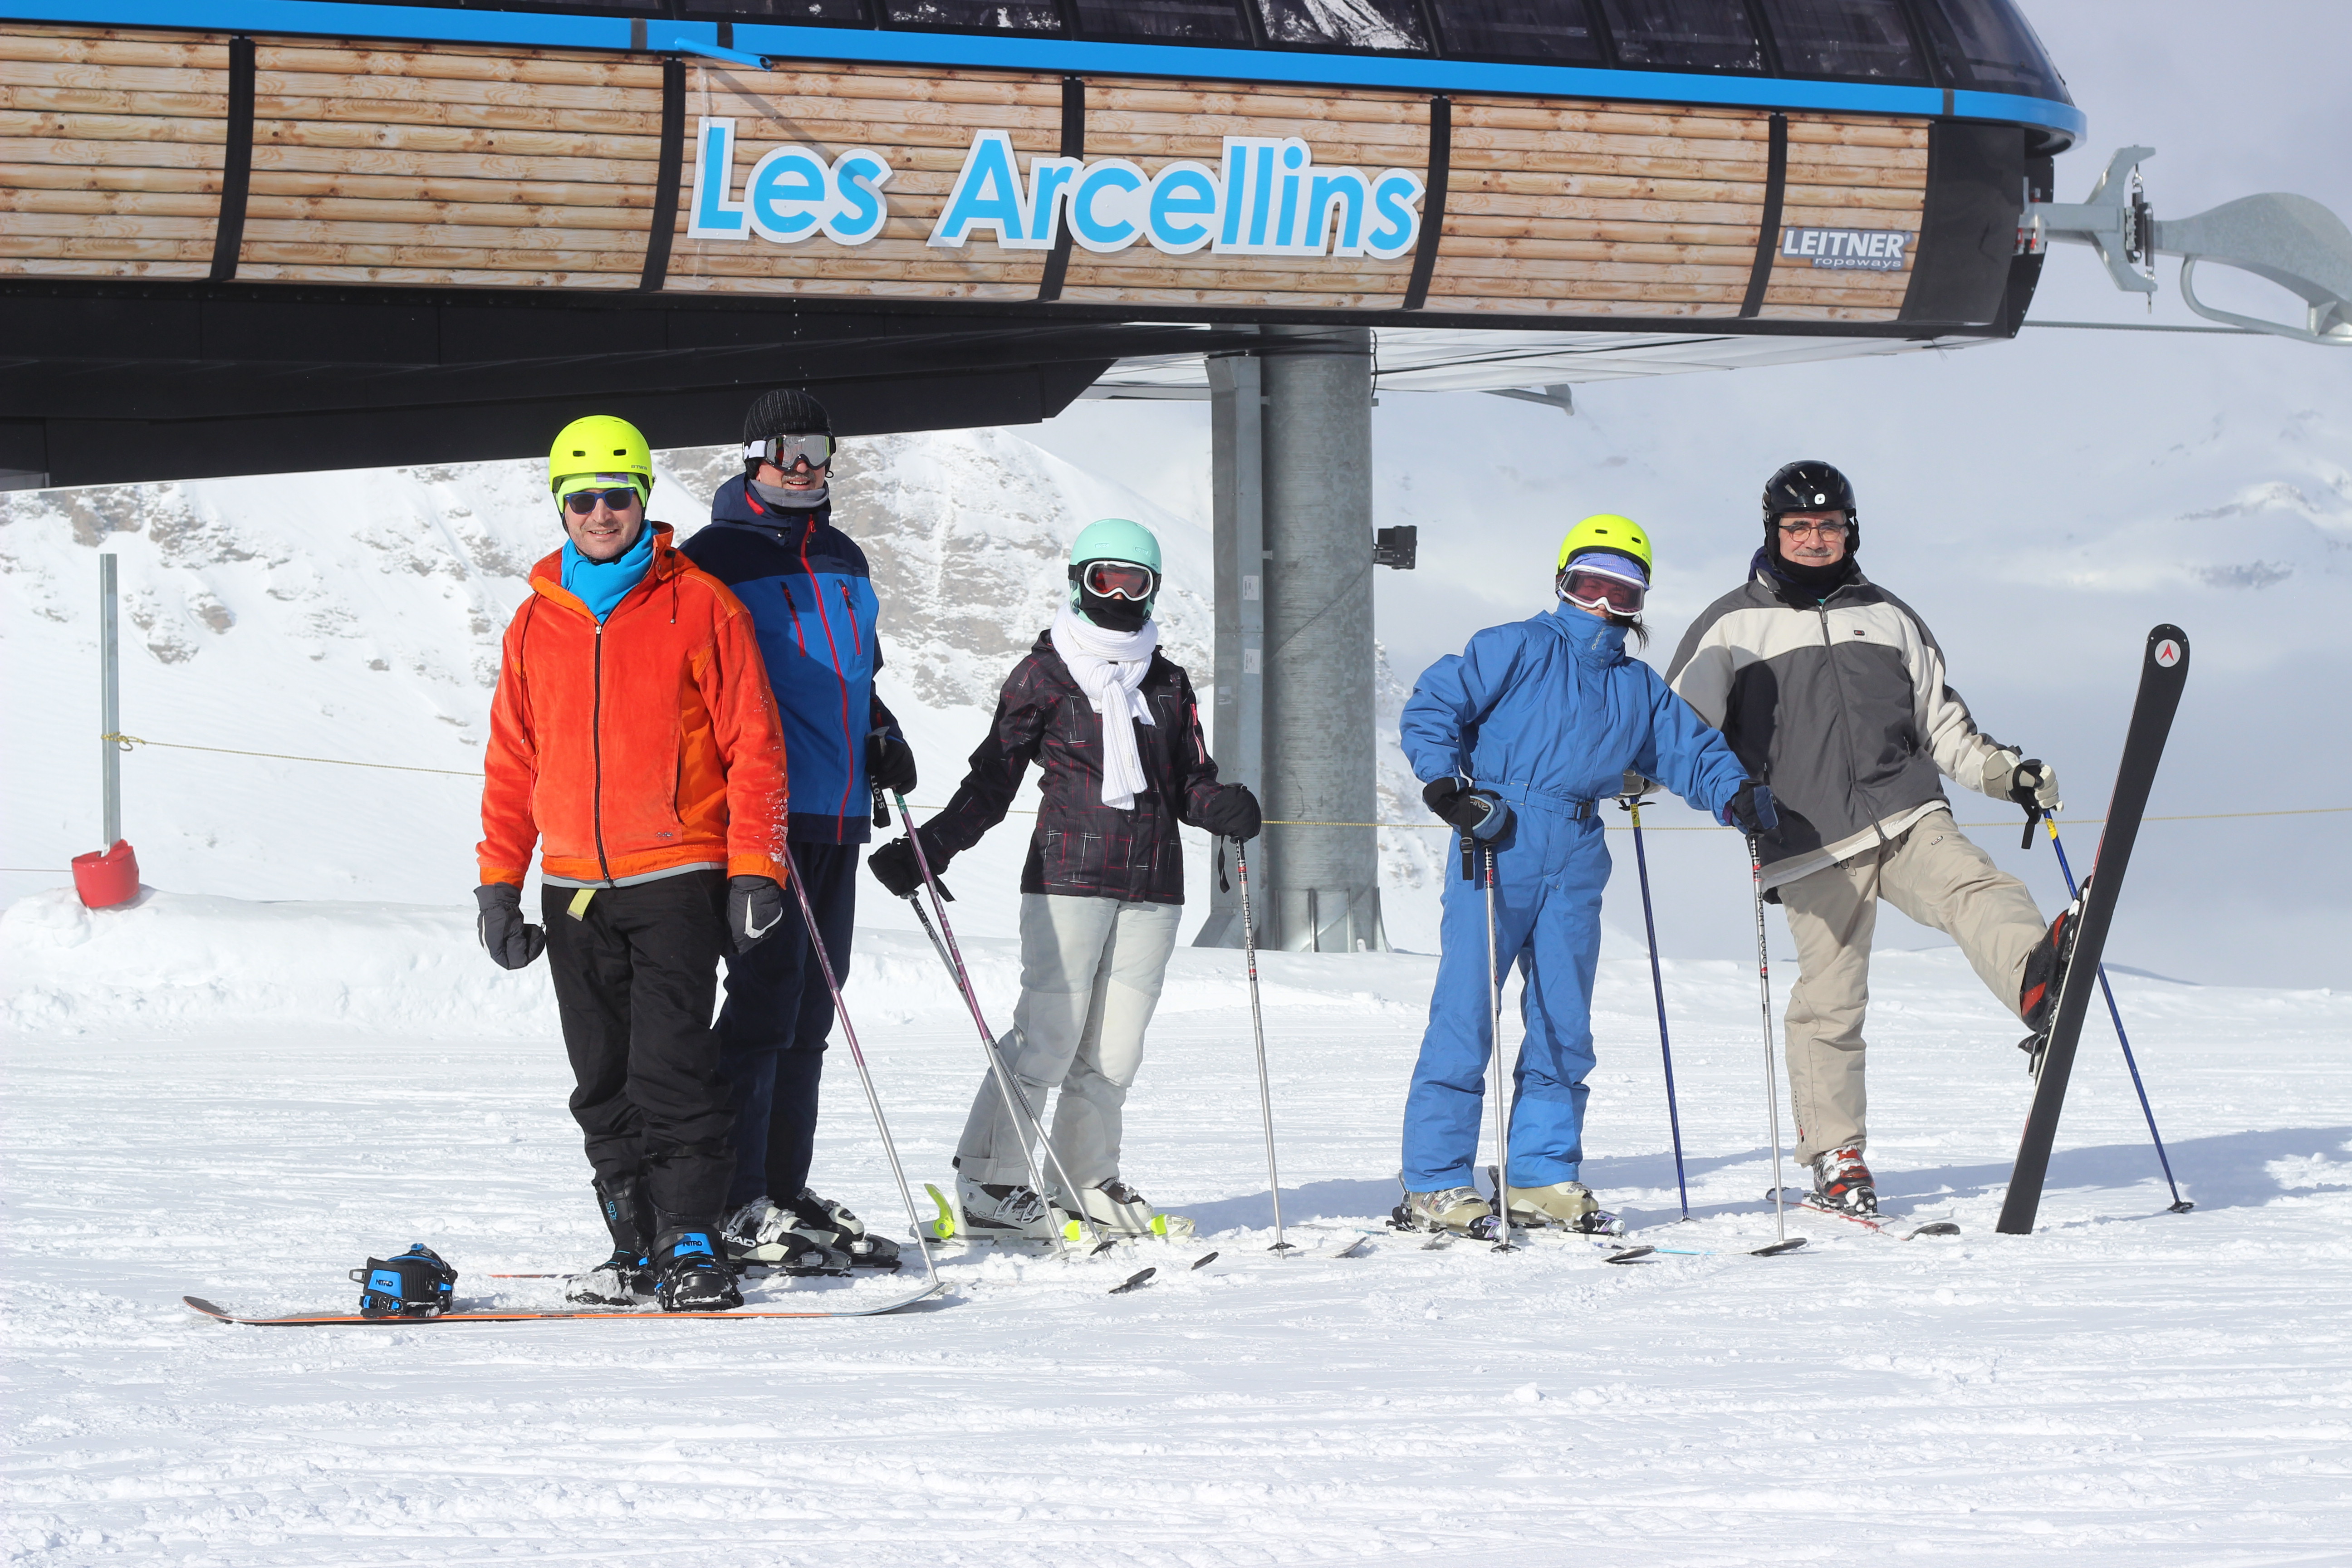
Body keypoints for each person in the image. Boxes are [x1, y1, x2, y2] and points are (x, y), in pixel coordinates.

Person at [1666, 461, 2078, 1216]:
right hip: (1805, 834)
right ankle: (1836, 1155)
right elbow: (1678, 734)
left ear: (1851, 529)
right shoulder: (1731, 625)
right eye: (1800, 527)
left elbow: (1945, 728)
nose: (1816, 539)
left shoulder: (1891, 617)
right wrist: (1715, 795)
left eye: (1829, 525)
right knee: (1831, 999)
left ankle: (2039, 980)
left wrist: (2006, 774)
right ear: (1773, 533)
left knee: (1976, 886)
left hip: (1906, 809)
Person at [867, 518, 1261, 1241]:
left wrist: (1223, 807)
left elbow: (1188, 783)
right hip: (1067, 878)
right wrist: (930, 849)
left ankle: (1085, 1180)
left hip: (1153, 887)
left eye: (1132, 582)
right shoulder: (1042, 675)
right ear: (1077, 583)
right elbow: (991, 782)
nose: (1117, 594)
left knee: (1115, 1051)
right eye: (1102, 578)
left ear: (1152, 591)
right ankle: (992, 1180)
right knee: (1047, 1038)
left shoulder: (1168, 683)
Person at [475, 414, 790, 1311]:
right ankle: (636, 1247)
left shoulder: (702, 605)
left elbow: (754, 746)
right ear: (562, 509)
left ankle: (694, 1242)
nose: (601, 513)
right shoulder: (537, 624)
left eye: (617, 497)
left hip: (679, 878)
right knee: (602, 1079)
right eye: (584, 500)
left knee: (673, 1070)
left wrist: (755, 869)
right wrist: (500, 884)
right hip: (575, 888)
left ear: (643, 500)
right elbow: (513, 762)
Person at [1397, 514, 1768, 1236]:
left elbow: (1690, 750)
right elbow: (1436, 703)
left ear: (1639, 606)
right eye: (1589, 585)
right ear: (1563, 583)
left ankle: (1541, 1173)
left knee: (1564, 1019)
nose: (1602, 605)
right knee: (1468, 1011)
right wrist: (1447, 786)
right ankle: (1436, 1179)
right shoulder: (1515, 647)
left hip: (1576, 844)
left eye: (1621, 594)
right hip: (1499, 832)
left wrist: (1736, 793)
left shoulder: (1636, 686)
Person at [678, 388, 916, 1273]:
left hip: (839, 812)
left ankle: (782, 1187)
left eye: (820, 446)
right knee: (763, 1009)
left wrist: (881, 733)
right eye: (788, 448)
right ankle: (736, 1196)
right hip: (763, 819)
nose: (807, 464)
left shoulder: (846, 558)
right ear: (752, 456)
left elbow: (856, 676)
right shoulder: (716, 559)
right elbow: (702, 687)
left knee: (814, 1010)